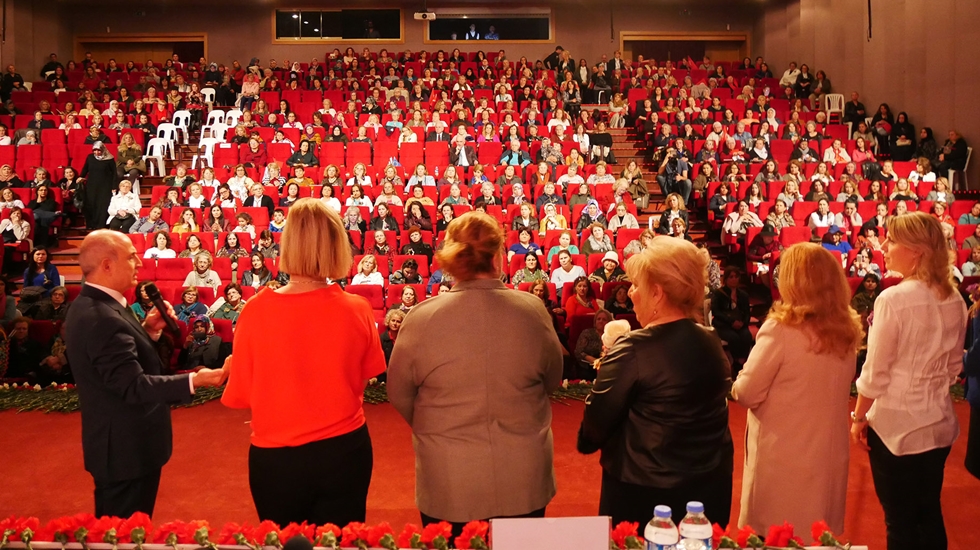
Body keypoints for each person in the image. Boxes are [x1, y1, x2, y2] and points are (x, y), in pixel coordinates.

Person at [388, 211, 563, 533]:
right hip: (522, 475)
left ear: (451, 257)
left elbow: (398, 393)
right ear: (498, 255)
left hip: (449, 477)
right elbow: (551, 380)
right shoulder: (532, 310)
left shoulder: (421, 317)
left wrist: (437, 427)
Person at [222, 198, 386, 527]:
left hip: (275, 457)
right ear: (337, 244)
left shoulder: (255, 309)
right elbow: (365, 379)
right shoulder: (356, 309)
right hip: (343, 450)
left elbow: (241, 393)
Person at [65, 230, 225, 517]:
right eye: (131, 257)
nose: (139, 262)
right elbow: (132, 385)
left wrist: (148, 332)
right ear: (107, 265)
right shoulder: (101, 316)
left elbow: (117, 365)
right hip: (125, 452)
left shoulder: (99, 304)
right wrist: (195, 379)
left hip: (124, 446)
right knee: (121, 535)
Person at [577, 236, 733, 526]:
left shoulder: (632, 348)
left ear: (658, 293)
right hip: (709, 491)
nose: (631, 293)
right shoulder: (712, 342)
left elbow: (594, 425)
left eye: (637, 285)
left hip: (645, 498)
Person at [851, 212, 968, 550]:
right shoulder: (955, 298)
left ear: (916, 251)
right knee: (929, 514)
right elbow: (952, 369)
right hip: (939, 424)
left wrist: (859, 419)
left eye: (892, 241)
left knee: (900, 523)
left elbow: (874, 374)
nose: (884, 247)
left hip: (896, 429)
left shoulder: (893, 299)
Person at [731, 243, 862, 534]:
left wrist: (736, 379)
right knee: (815, 534)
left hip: (784, 459)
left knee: (780, 534)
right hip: (827, 456)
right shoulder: (847, 330)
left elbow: (747, 392)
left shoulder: (781, 329)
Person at [711, 266, 753, 373]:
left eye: (736, 277)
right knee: (733, 337)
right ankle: (736, 362)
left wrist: (743, 323)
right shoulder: (719, 294)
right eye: (731, 277)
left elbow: (747, 313)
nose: (734, 279)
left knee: (746, 335)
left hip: (740, 323)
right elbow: (716, 312)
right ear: (726, 279)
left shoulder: (743, 295)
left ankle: (742, 360)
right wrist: (731, 322)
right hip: (723, 324)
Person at [80, 142, 117, 230]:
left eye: (98, 150)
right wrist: (80, 177)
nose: (96, 152)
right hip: (92, 185)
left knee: (102, 205)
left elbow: (114, 174)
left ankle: (101, 225)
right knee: (91, 204)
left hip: (105, 186)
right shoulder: (90, 157)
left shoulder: (109, 159)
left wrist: (114, 186)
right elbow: (85, 169)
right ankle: (91, 225)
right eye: (95, 150)